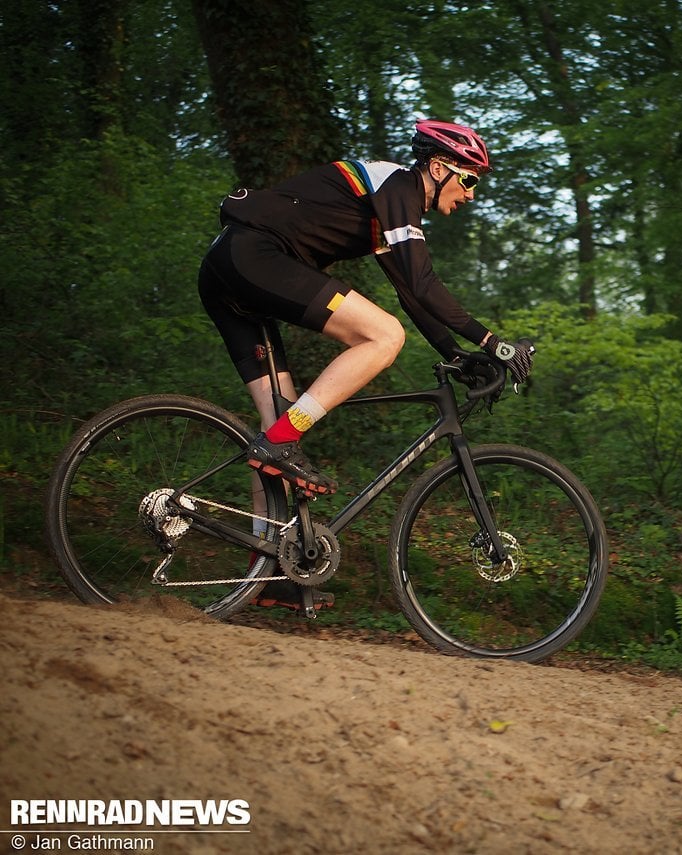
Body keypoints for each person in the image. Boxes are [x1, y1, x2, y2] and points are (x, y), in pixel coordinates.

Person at [198, 119, 532, 610]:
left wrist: (461, 357)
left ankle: (262, 575)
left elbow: (410, 292)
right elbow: (422, 283)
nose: (471, 194)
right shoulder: (398, 185)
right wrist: (491, 341)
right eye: (470, 180)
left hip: (228, 271)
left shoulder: (386, 207)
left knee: (275, 426)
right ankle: (282, 441)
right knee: (383, 335)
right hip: (255, 256)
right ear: (440, 168)